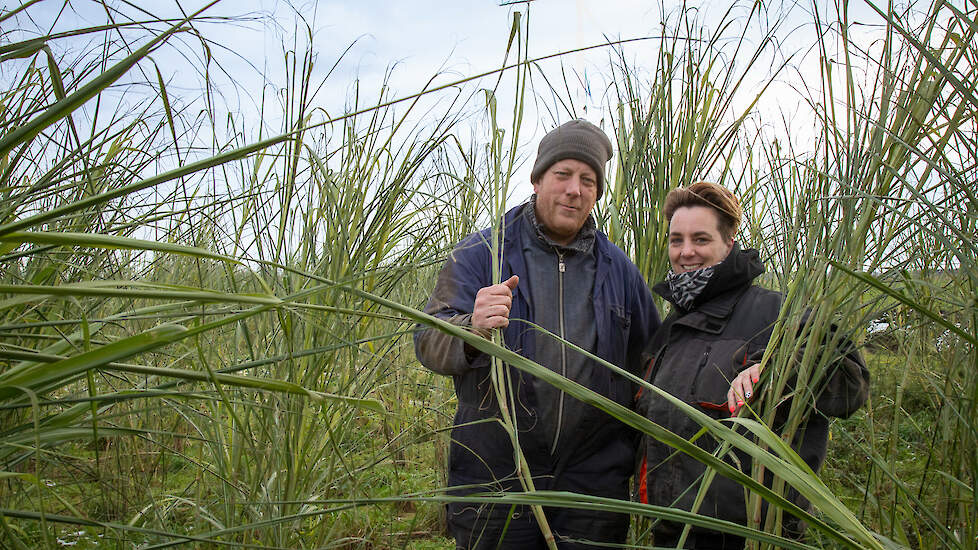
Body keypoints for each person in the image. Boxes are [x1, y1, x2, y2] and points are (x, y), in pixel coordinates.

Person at [414, 119, 660, 549]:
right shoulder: (483, 253)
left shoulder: (619, 270)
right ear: (537, 179)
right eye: (563, 175)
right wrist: (471, 327)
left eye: (588, 180)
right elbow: (428, 342)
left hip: (592, 490)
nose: (574, 189)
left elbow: (653, 363)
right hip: (495, 481)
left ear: (597, 193)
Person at [634, 181, 870, 549]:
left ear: (729, 244)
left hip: (753, 536)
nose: (686, 252)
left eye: (701, 239)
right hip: (672, 531)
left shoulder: (774, 311)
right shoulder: (669, 332)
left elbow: (850, 383)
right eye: (676, 240)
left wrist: (774, 368)